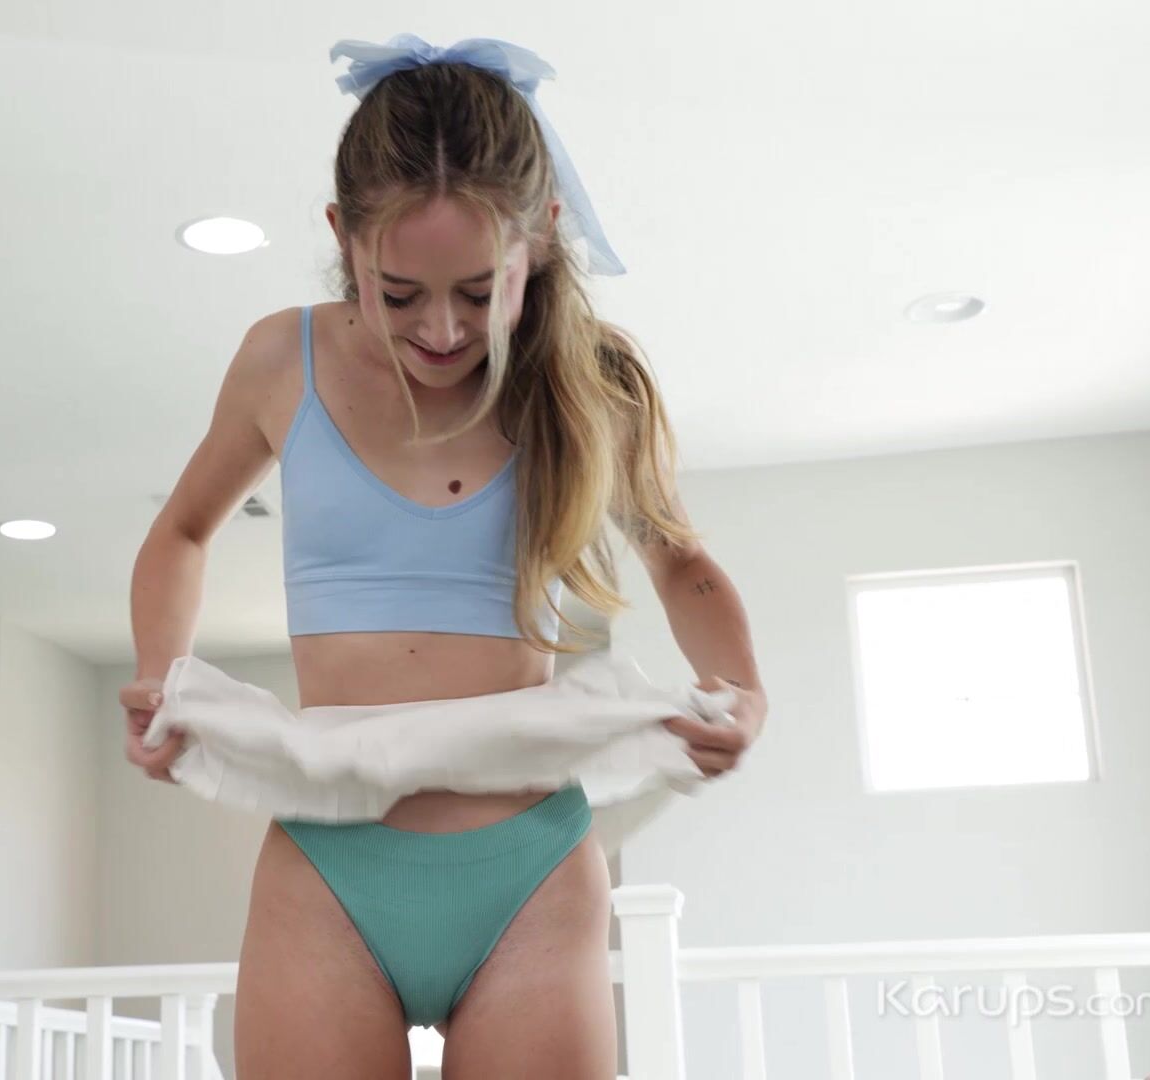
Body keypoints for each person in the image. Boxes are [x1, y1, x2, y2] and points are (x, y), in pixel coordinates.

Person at [121, 35, 770, 1079]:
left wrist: (741, 692)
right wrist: (161, 676)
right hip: (331, 863)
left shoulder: (589, 379)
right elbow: (183, 532)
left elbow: (681, 564)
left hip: (529, 871)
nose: (439, 329)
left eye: (478, 292)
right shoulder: (281, 360)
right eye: (399, 293)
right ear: (343, 239)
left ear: (541, 237)